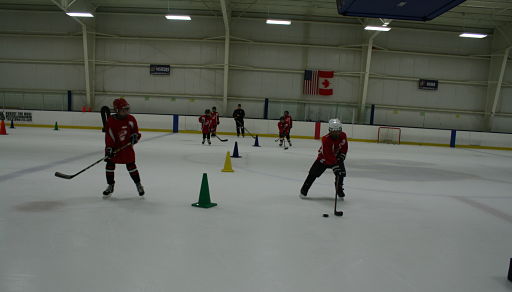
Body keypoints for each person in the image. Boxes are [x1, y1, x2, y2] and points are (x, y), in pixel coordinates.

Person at [103, 98, 144, 198]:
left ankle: (138, 185)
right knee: (109, 166)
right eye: (123, 110)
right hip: (114, 148)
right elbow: (109, 136)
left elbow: (136, 132)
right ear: (117, 110)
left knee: (131, 166)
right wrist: (109, 148)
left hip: (127, 148)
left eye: (127, 109)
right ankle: (110, 185)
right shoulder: (111, 121)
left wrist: (135, 137)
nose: (126, 111)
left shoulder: (131, 119)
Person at [300, 118, 347, 199]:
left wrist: (342, 155)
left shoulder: (343, 135)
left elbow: (344, 147)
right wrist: (335, 166)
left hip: (336, 157)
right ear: (330, 130)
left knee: (341, 174)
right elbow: (328, 154)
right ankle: (304, 190)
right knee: (312, 174)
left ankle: (339, 189)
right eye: (333, 131)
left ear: (340, 130)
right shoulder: (326, 139)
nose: (336, 133)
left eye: (338, 131)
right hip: (323, 159)